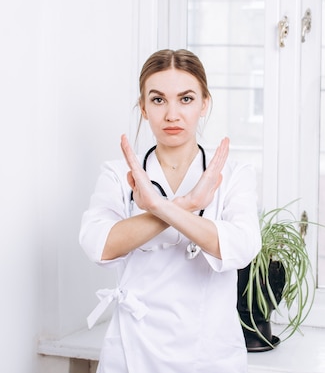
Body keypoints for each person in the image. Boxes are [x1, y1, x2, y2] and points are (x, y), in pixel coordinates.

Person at [79, 49, 262, 373]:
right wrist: (187, 205)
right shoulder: (117, 173)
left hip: (209, 354)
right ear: (144, 108)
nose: (172, 114)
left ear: (204, 103)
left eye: (186, 99)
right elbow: (99, 244)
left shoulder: (234, 175)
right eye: (159, 100)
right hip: (132, 350)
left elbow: (242, 246)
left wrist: (160, 207)